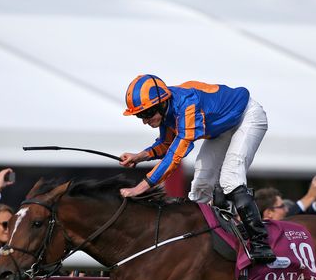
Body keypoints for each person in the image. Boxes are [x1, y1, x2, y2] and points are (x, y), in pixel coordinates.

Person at [117, 74, 275, 263]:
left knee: (230, 178)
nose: (144, 121)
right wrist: (139, 156)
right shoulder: (167, 108)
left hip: (247, 117)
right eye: (139, 116)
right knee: (200, 185)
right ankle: (199, 239)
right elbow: (167, 144)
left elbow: (175, 156)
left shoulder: (186, 105)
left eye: (146, 114)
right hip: (222, 128)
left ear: (161, 103)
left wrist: (140, 187)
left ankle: (260, 243)